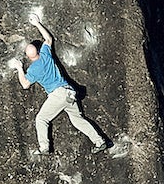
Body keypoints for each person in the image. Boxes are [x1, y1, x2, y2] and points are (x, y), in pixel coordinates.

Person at [12, 18, 105, 153]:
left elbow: (25, 84)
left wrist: (19, 68)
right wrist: (37, 23)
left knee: (41, 119)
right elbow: (48, 39)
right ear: (38, 52)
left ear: (28, 57)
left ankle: (44, 147)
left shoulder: (33, 69)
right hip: (69, 92)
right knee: (78, 120)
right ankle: (99, 141)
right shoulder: (45, 55)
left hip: (58, 94)